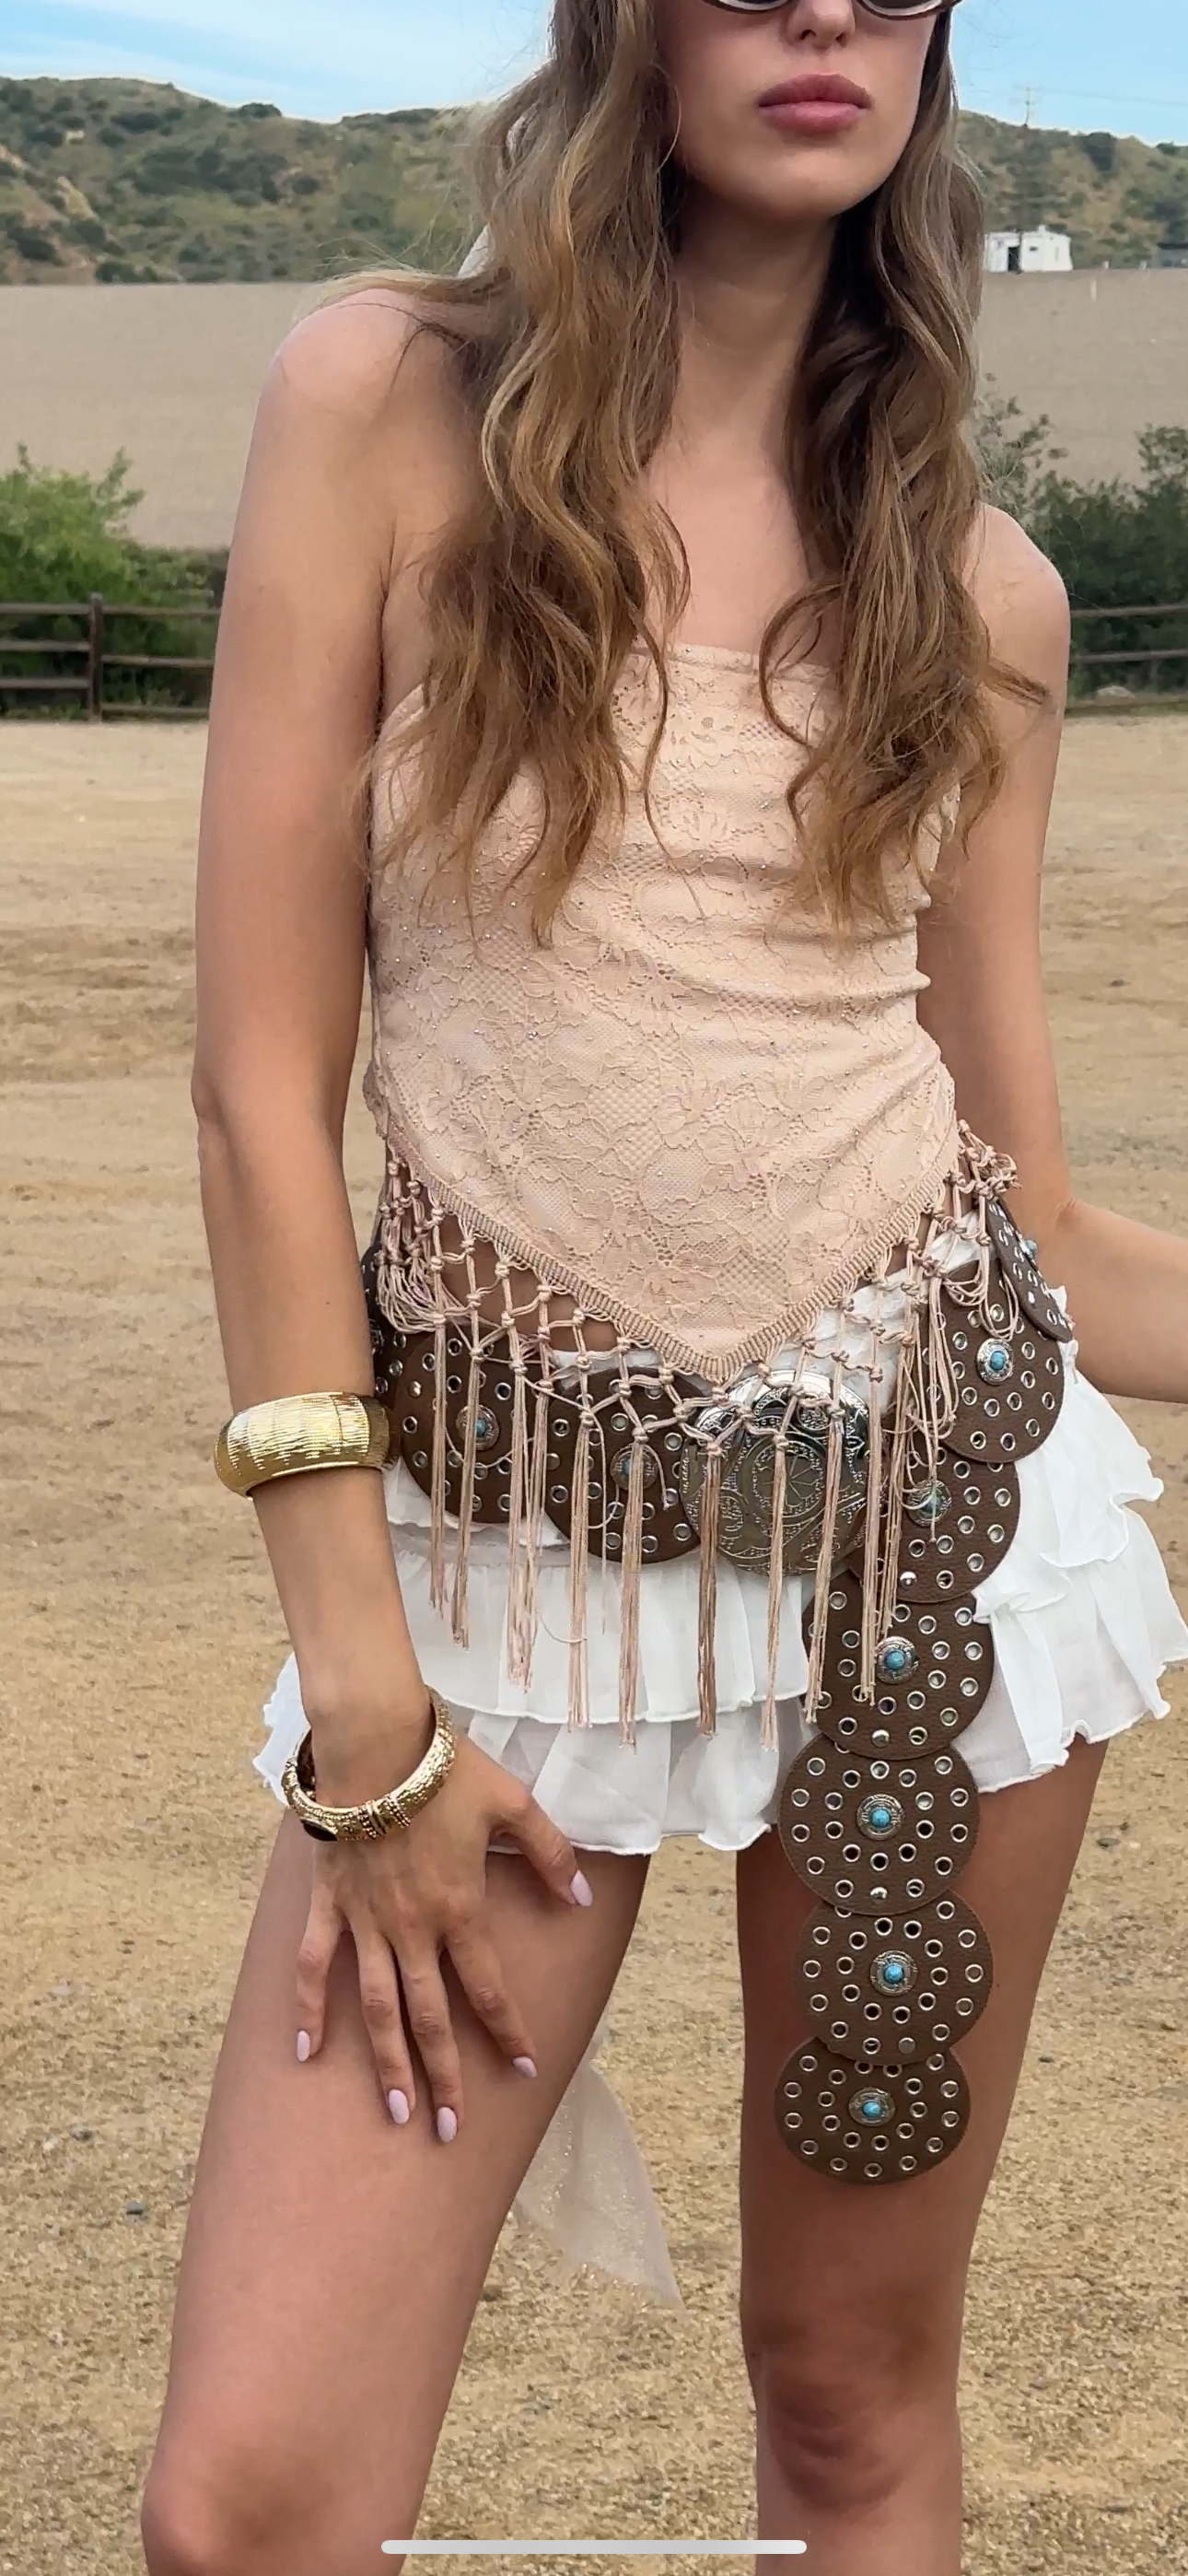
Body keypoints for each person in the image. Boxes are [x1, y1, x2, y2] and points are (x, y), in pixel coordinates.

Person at [141, 4, 1188, 2570]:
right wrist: (367, 1717)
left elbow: (1035, 1216)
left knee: (849, 2398)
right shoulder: (385, 407)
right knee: (249, 2508)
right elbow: (265, 1092)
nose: (822, 11)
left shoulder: (987, 590)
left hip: (938, 1563)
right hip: (498, 1586)